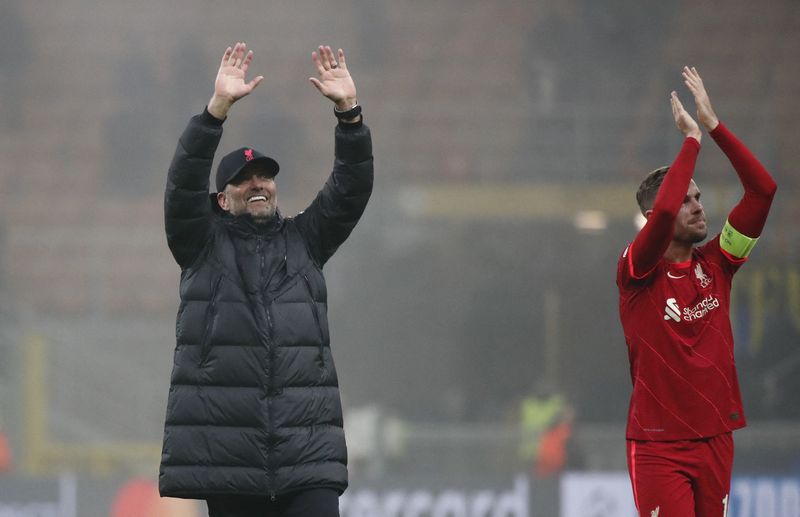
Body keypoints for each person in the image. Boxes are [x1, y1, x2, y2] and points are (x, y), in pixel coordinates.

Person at [158, 42, 373, 517]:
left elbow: (351, 188)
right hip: (231, 462)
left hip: (307, 456)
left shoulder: (306, 241)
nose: (258, 184)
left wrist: (349, 114)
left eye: (265, 177)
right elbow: (181, 187)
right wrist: (215, 113)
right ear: (222, 199)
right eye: (243, 178)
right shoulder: (199, 246)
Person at [616, 67, 777, 517]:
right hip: (657, 445)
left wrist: (713, 126)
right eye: (688, 199)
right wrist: (690, 142)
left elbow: (763, 191)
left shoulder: (719, 264)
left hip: (715, 437)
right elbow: (665, 213)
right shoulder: (636, 273)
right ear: (651, 219)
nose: (699, 205)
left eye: (699, 196)